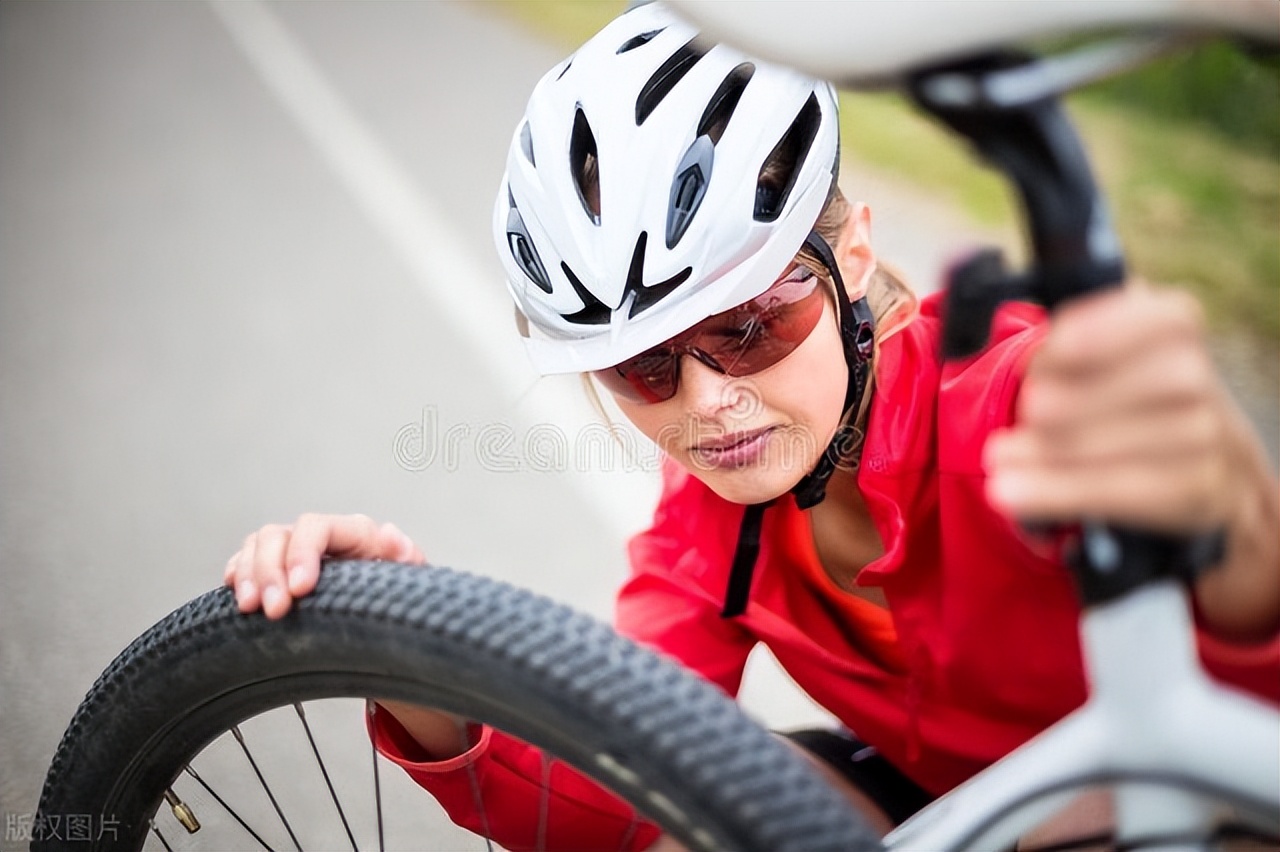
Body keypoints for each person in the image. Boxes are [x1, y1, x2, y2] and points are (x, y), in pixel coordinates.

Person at [224, 4, 1280, 849]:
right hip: (950, 802)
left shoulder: (1010, 409)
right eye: (641, 366)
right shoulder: (709, 523)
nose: (703, 402)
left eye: (747, 327)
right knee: (699, 815)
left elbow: (1250, 647)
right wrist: (415, 663)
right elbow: (613, 791)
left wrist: (1233, 523)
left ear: (852, 259)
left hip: (1182, 803)